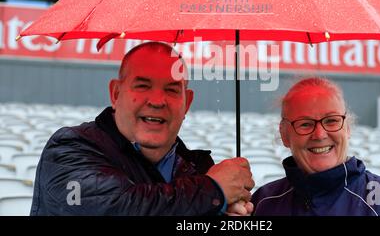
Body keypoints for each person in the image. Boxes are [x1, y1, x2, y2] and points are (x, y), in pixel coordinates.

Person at [31, 41, 254, 215]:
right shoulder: (69, 148)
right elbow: (112, 208)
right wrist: (212, 190)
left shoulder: (198, 168)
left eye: (172, 89)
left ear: (188, 102)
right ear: (116, 94)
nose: (157, 100)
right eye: (143, 86)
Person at [252, 77, 380, 216]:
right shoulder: (263, 202)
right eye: (305, 124)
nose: (319, 134)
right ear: (284, 134)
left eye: (331, 121)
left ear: (347, 128)